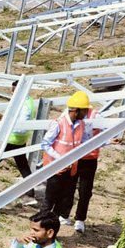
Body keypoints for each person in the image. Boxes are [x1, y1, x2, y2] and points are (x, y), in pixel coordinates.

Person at [36, 91, 98, 233]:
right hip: (56, 170)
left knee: (62, 202)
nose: (86, 113)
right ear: (76, 111)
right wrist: (60, 158)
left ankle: (52, 231)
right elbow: (45, 144)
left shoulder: (81, 124)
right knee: (49, 202)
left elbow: (85, 142)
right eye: (85, 110)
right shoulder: (59, 123)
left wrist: (106, 142)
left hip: (71, 170)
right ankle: (39, 230)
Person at [2, 80, 39, 202]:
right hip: (17, 139)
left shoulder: (24, 105)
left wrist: (7, 125)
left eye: (14, 90)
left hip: (12, 138)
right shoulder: (26, 101)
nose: (12, 92)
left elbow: (21, 126)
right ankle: (30, 193)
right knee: (22, 165)